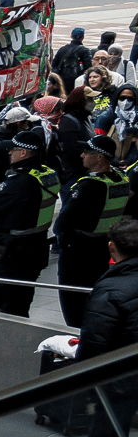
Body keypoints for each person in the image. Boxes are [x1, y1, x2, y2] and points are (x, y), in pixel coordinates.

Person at [49, 217, 138, 437]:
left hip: (113, 377)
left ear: (112, 247)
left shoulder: (111, 286)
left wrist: (82, 377)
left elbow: (95, 341)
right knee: (116, 436)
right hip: (131, 377)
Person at [0, 125, 58, 316]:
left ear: (24, 152)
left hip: (12, 254)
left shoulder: (19, 182)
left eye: (13, 149)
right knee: (19, 304)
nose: (9, 152)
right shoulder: (49, 174)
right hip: (36, 248)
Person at [53, 132, 128, 327]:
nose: (82, 155)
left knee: (74, 306)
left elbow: (61, 224)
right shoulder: (120, 180)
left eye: (87, 152)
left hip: (78, 254)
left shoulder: (89, 186)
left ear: (100, 156)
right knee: (94, 297)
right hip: (103, 248)